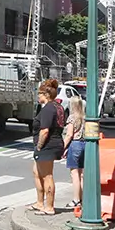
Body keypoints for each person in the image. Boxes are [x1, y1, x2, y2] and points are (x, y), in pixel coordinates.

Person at [30, 78, 65, 216]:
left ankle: (49, 206)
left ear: (46, 95)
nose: (38, 96)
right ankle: (39, 203)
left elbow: (44, 130)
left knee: (47, 175)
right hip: (54, 142)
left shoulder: (49, 108)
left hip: (48, 144)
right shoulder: (58, 107)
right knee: (37, 172)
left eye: (39, 94)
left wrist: (39, 146)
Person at [61, 95, 85, 209]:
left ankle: (76, 200)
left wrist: (63, 147)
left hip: (75, 144)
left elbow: (69, 134)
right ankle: (83, 198)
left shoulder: (72, 118)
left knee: (74, 174)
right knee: (82, 174)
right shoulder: (85, 117)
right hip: (85, 144)